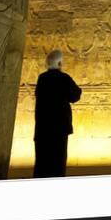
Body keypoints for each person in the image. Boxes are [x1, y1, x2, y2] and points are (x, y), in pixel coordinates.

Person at [33, 49, 82, 178]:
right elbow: (75, 95)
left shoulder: (42, 78)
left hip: (43, 130)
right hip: (59, 130)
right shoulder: (63, 78)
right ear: (60, 63)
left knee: (42, 165)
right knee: (57, 165)